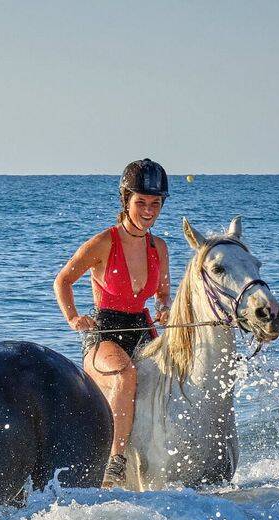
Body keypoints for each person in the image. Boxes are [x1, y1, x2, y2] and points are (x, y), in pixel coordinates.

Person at [54, 159, 172, 488]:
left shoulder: (159, 248)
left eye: (155, 204)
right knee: (125, 373)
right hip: (103, 334)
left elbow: (163, 293)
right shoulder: (104, 242)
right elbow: (62, 281)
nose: (148, 211)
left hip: (143, 329)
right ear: (126, 200)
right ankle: (115, 462)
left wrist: (164, 309)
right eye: (141, 203)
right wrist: (74, 317)